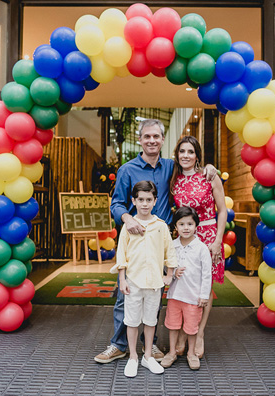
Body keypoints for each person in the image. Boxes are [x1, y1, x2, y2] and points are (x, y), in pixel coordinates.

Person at [95, 119, 216, 364]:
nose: (151, 140)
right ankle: (119, 345)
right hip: (135, 242)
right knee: (126, 295)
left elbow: (191, 163)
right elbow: (116, 203)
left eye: (156, 137)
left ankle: (149, 346)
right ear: (140, 140)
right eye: (147, 136)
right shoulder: (127, 170)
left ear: (162, 140)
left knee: (156, 293)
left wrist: (209, 167)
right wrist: (127, 218)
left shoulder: (170, 166)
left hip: (162, 242)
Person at [110, 181, 178, 377]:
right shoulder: (129, 226)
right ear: (134, 201)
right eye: (141, 200)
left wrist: (169, 275)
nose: (145, 204)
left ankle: (147, 356)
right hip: (133, 282)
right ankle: (133, 357)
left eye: (149, 200)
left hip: (155, 284)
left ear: (155, 201)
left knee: (150, 321)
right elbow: (121, 253)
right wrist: (122, 280)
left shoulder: (161, 226)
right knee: (131, 321)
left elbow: (169, 252)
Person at [169, 135, 228, 359]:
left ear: (197, 156)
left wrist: (217, 241)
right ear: (177, 154)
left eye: (190, 152)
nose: (186, 156)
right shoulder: (173, 179)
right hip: (183, 236)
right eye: (182, 151)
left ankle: (199, 333)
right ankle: (185, 333)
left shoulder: (209, 176)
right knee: (184, 283)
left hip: (208, 235)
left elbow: (222, 210)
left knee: (205, 285)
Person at [159, 206, 213, 370]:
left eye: (190, 224)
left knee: (191, 327)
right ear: (175, 227)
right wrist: (174, 272)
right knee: (173, 325)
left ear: (196, 225)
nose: (186, 228)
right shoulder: (172, 246)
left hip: (193, 297)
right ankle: (172, 352)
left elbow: (206, 274)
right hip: (175, 295)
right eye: (181, 224)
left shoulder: (201, 248)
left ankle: (191, 353)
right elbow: (164, 266)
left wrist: (203, 295)